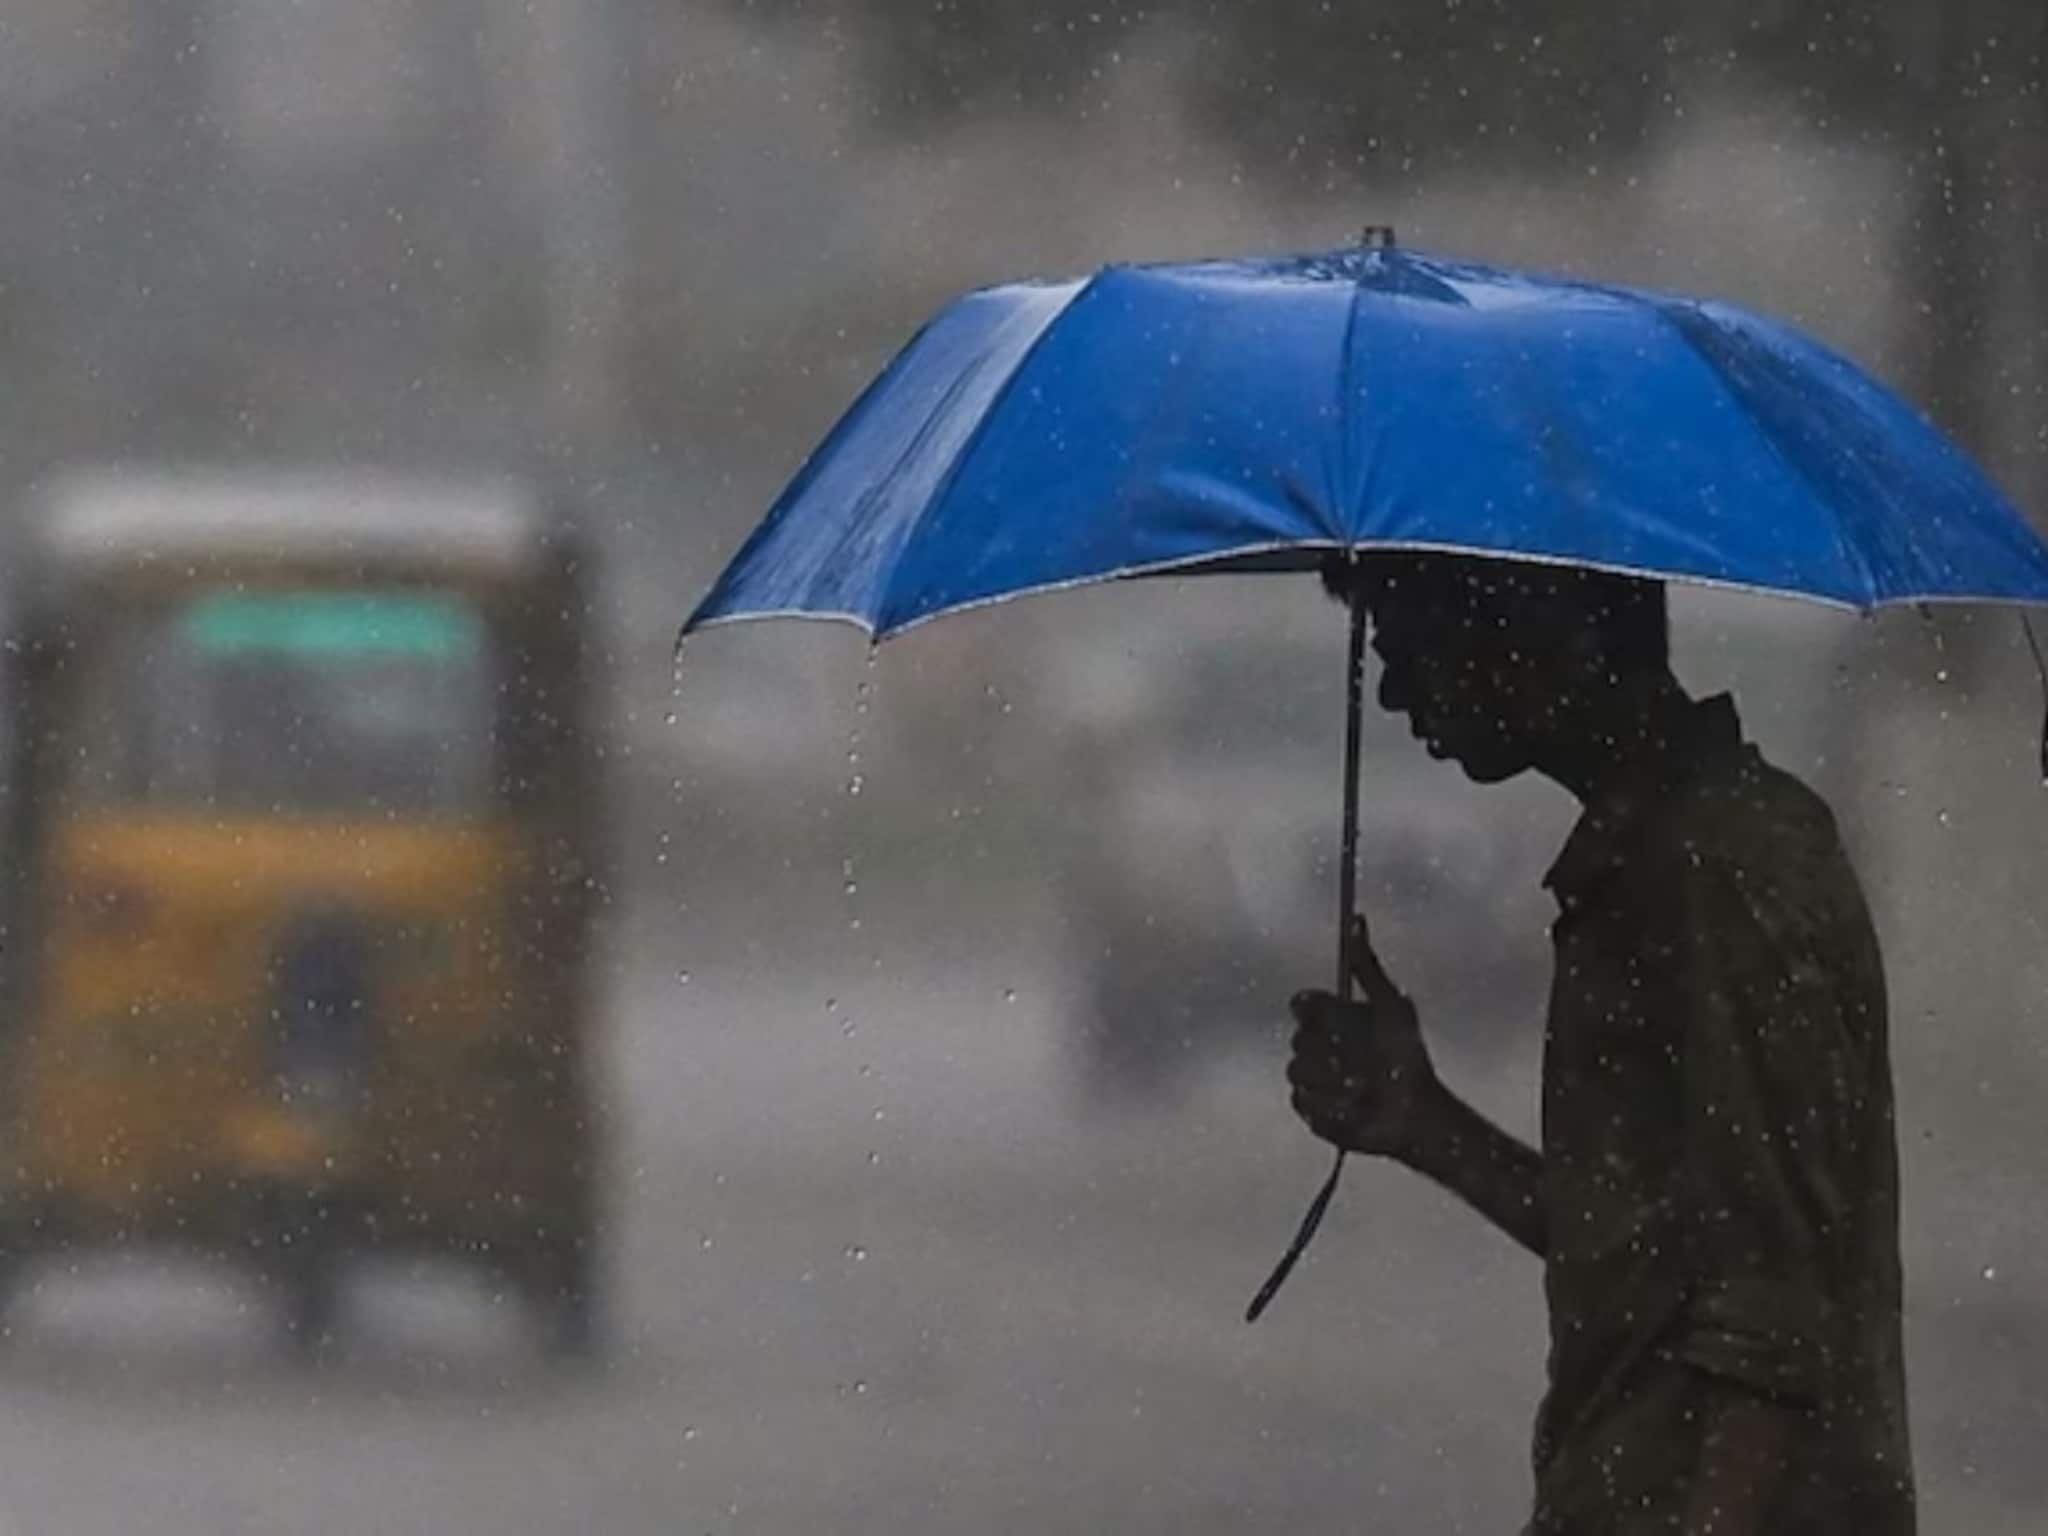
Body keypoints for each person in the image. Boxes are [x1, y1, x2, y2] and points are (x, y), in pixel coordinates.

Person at [1287, 552, 1914, 1534]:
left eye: (1410, 639)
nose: (1394, 689)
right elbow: (1650, 1256)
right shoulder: (1651, 859)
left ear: (1538, 622)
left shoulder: (1719, 872)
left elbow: (1771, 1324)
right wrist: (1426, 1124)